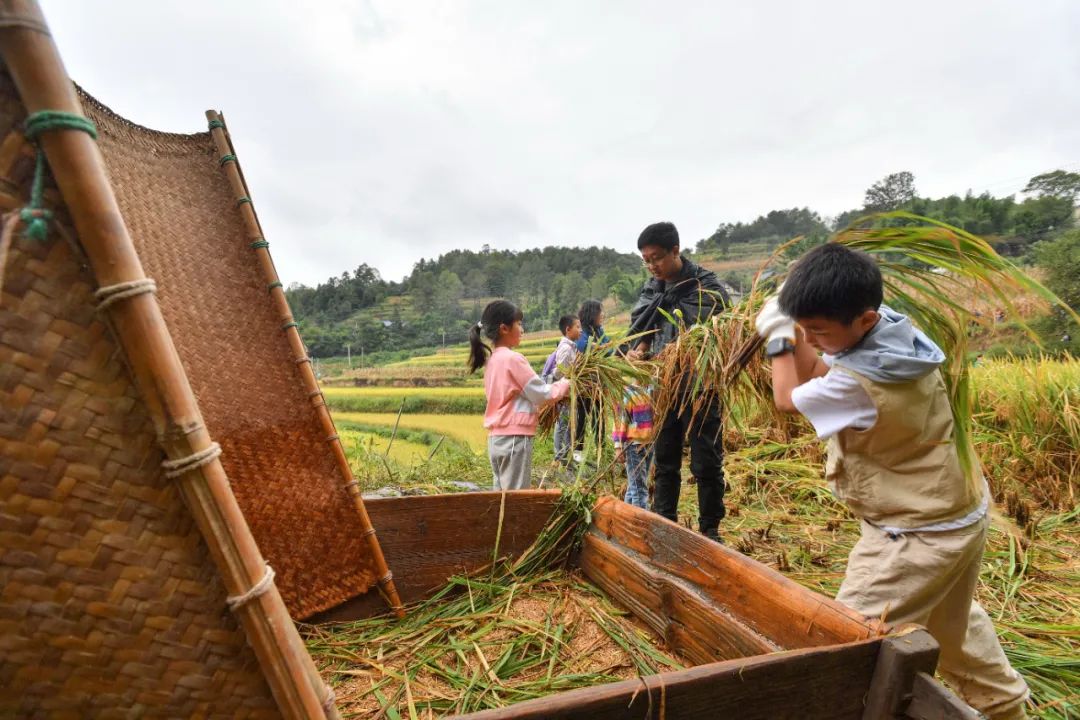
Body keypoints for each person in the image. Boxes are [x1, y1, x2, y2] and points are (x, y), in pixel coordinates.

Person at [755, 243, 1029, 720]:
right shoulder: (893, 335)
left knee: (844, 645)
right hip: (955, 513)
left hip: (915, 534)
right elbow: (821, 371)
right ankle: (1006, 709)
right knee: (953, 631)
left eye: (818, 330)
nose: (811, 339)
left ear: (861, 320)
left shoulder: (862, 381)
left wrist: (780, 337)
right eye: (805, 330)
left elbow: (787, 396)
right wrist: (798, 319)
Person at [626, 221, 730, 542]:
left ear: (675, 251)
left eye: (656, 257)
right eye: (646, 259)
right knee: (665, 458)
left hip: (700, 387)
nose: (651, 265)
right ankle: (665, 523)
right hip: (664, 389)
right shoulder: (651, 289)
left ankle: (710, 529)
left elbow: (708, 329)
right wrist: (639, 349)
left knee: (706, 461)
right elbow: (642, 326)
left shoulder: (706, 288)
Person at [469, 300, 570, 491]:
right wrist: (565, 384)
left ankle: (499, 522)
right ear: (504, 328)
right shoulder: (513, 359)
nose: (522, 330)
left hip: (496, 439)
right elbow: (542, 395)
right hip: (515, 438)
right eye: (519, 324)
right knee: (516, 498)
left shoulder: (492, 361)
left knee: (500, 496)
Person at [570, 299, 610, 462]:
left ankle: (601, 450)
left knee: (599, 416)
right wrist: (596, 347)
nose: (602, 315)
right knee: (582, 417)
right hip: (585, 383)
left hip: (599, 382)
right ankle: (577, 451)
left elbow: (609, 348)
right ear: (592, 314)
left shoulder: (599, 330)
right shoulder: (583, 331)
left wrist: (602, 347)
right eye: (600, 311)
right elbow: (581, 347)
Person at [612, 383, 654, 509]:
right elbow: (620, 419)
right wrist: (618, 445)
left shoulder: (652, 388)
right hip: (633, 446)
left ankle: (625, 518)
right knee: (639, 491)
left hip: (650, 444)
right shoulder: (628, 392)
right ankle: (641, 524)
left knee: (634, 487)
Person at [550, 314, 581, 465]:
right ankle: (559, 457)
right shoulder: (566, 348)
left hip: (569, 392)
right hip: (564, 393)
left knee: (569, 425)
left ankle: (566, 456)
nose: (580, 330)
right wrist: (569, 376)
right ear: (568, 329)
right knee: (562, 425)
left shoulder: (571, 347)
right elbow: (557, 371)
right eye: (578, 327)